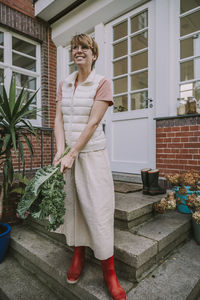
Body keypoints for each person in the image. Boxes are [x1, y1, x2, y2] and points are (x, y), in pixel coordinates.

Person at [53, 33, 126, 300]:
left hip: (91, 156)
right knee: (72, 207)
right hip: (68, 158)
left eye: (84, 47)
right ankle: (78, 254)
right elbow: (59, 120)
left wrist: (72, 153)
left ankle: (110, 272)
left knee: (97, 210)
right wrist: (60, 151)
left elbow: (93, 123)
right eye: (75, 47)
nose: (78, 51)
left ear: (94, 54)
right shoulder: (65, 83)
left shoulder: (102, 83)